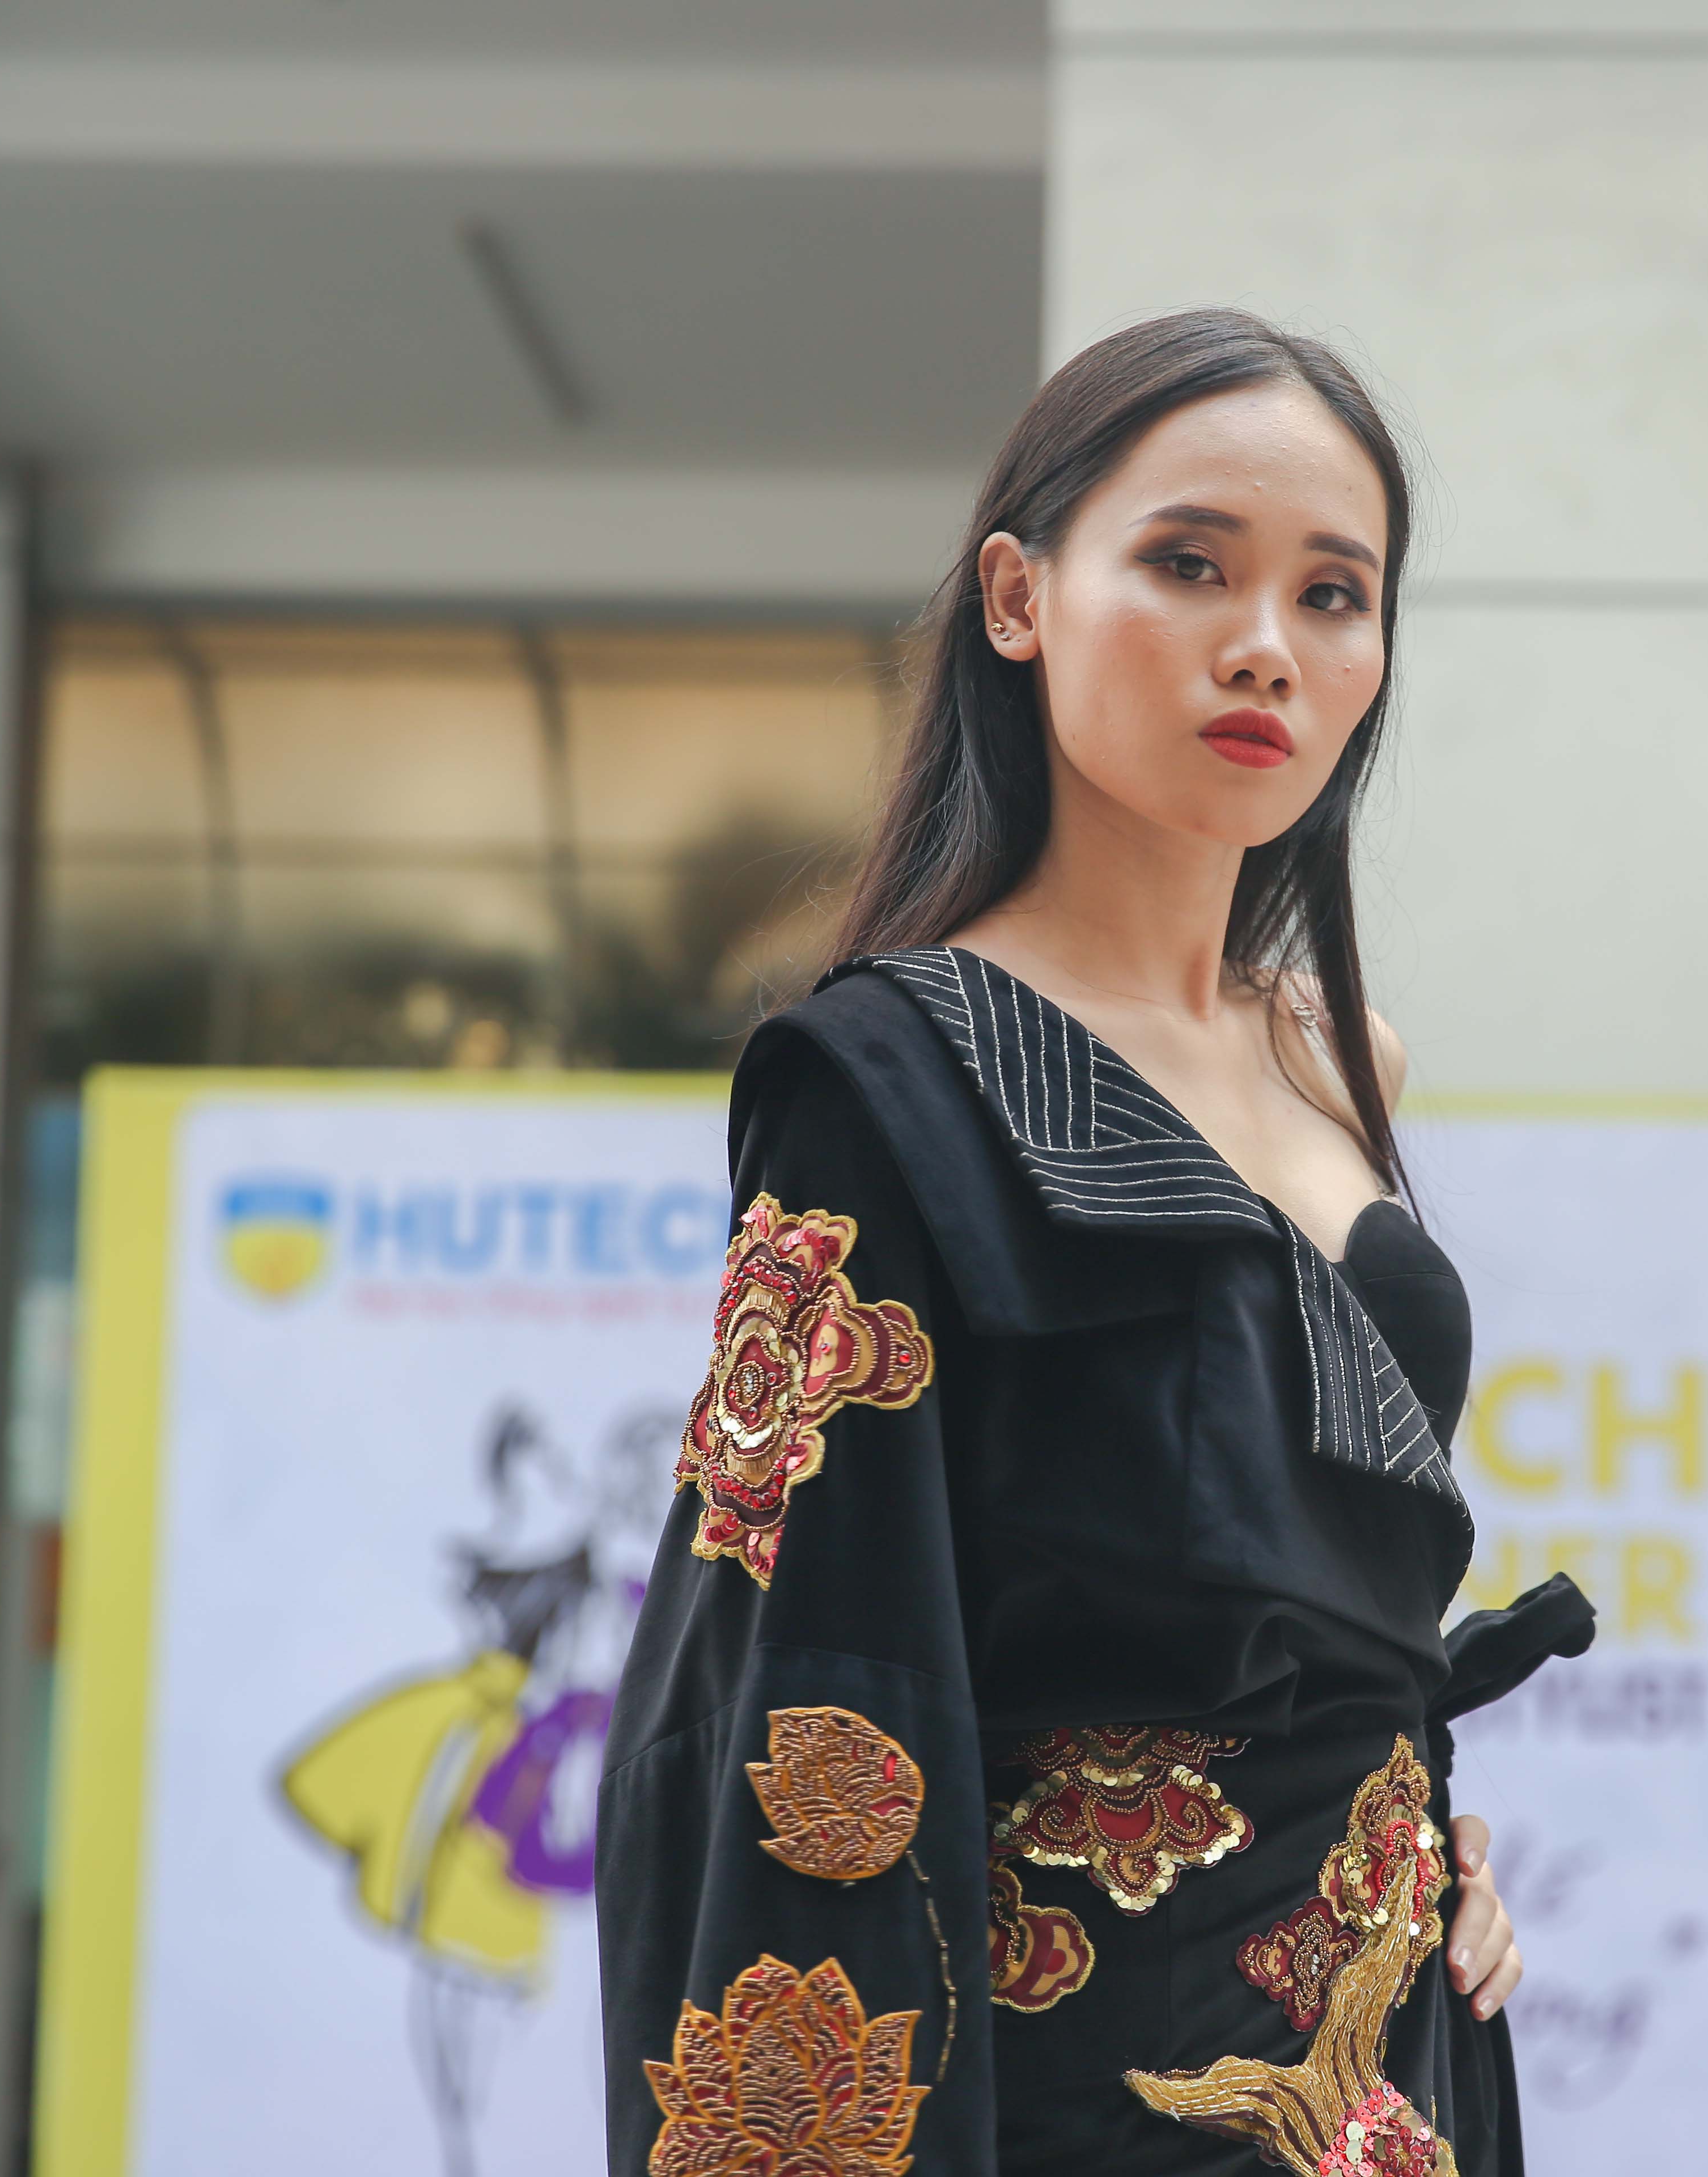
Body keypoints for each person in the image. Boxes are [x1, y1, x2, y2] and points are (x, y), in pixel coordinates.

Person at [596, 308, 1593, 2177]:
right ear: (1018, 596)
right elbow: (805, 1690)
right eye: (1190, 564)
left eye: (1334, 594)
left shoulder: (1342, 1061)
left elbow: (1333, 1624)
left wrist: (1422, 1840)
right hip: (1090, 2094)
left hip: (1392, 2067)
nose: (1265, 644)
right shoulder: (886, 1079)